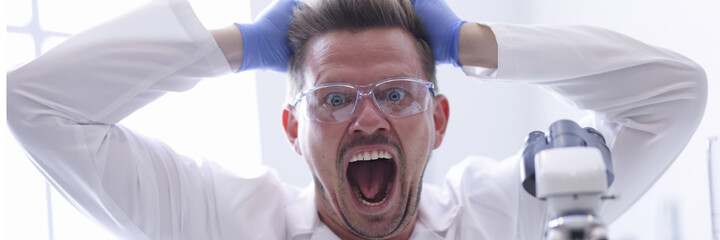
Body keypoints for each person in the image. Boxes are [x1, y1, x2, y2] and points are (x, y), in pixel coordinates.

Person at [6, 0, 707, 239]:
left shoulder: (504, 216)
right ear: (293, 130)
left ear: (438, 119)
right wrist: (240, 45)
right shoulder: (219, 219)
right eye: (335, 99)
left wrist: (473, 43)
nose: (367, 120)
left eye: (396, 95)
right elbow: (38, 104)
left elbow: (676, 94)